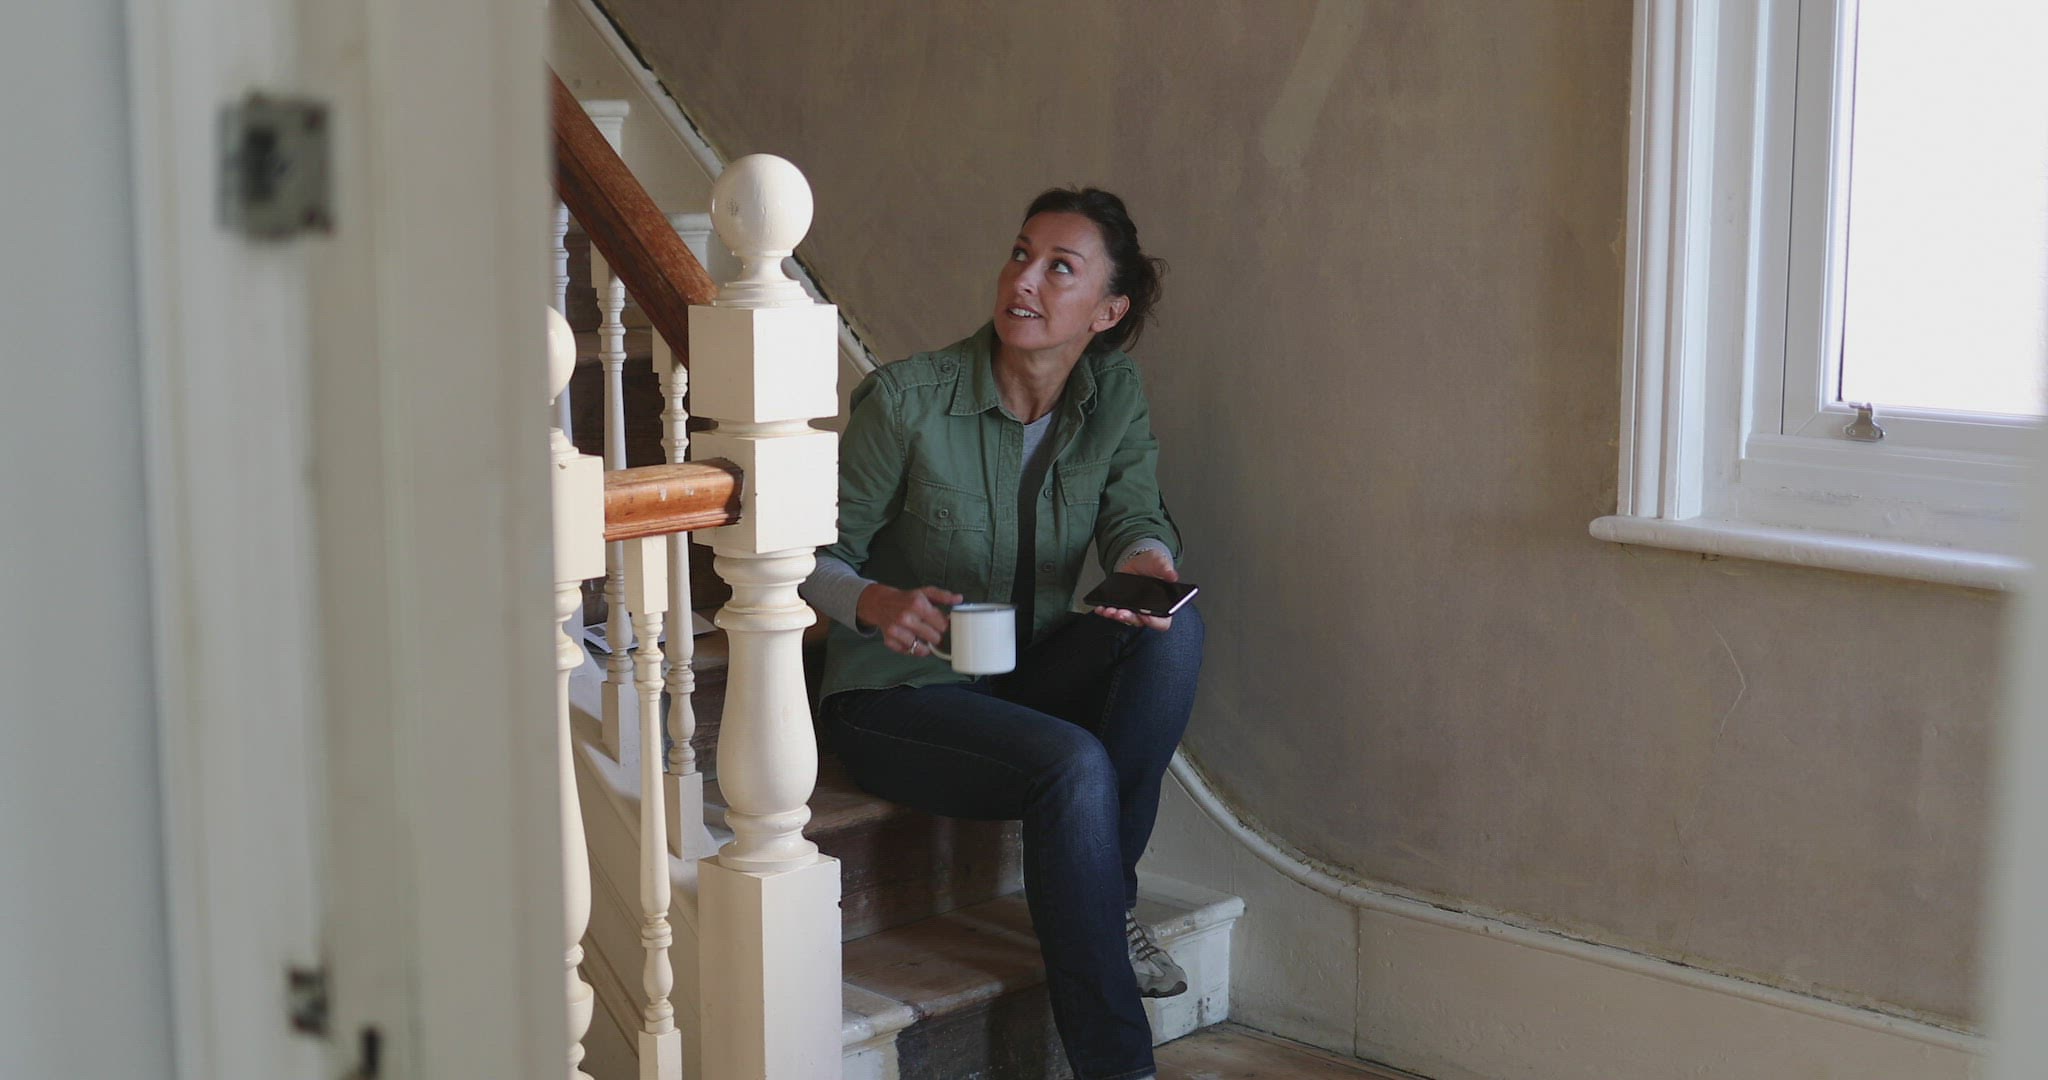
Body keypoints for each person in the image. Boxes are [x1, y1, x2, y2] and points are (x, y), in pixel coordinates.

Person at [800, 187, 1203, 1080]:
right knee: (1073, 764)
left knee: (1172, 633)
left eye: (1059, 268)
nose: (1024, 280)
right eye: (1021, 254)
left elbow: (1135, 511)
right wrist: (872, 601)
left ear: (1106, 312)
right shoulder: (908, 400)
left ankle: (1106, 901)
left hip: (1024, 672)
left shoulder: (1112, 393)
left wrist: (1146, 562)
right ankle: (1119, 1068)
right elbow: (808, 555)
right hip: (898, 696)